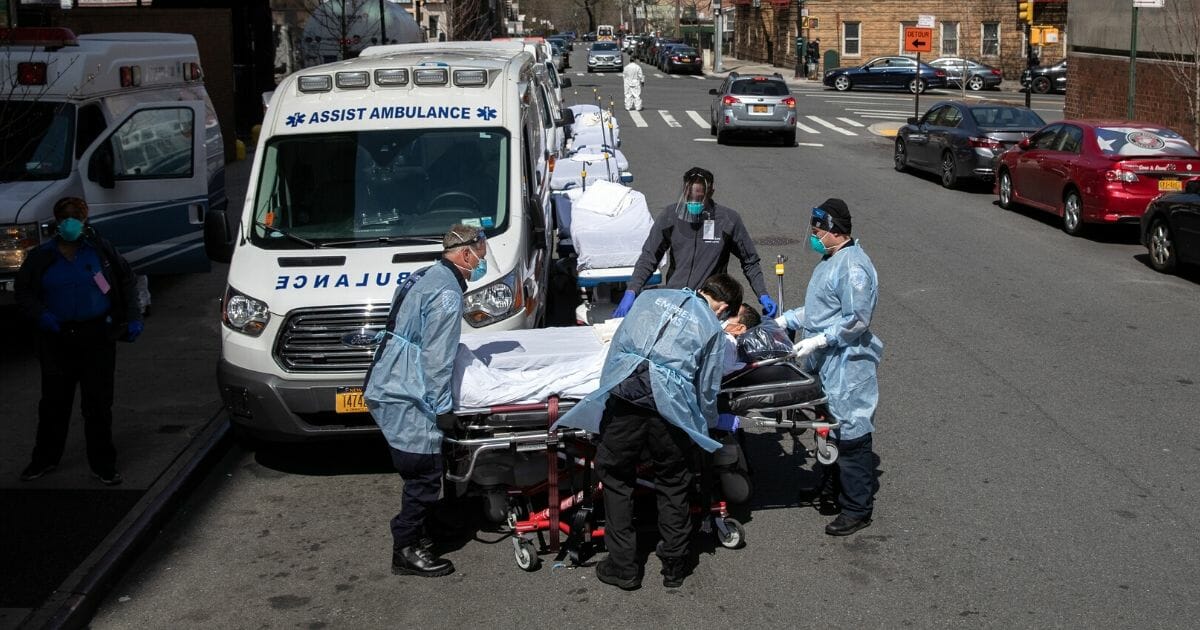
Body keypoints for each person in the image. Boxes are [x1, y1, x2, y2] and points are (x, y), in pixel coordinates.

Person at [554, 274, 741, 590]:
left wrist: (606, 395)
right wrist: (706, 426)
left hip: (627, 397)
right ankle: (674, 565)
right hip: (671, 411)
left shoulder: (652, 298)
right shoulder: (710, 328)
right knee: (673, 482)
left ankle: (623, 566)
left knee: (615, 476)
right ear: (721, 306)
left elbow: (617, 347)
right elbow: (707, 386)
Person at [364, 223, 490, 578]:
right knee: (422, 472)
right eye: (480, 254)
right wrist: (442, 408)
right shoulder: (448, 295)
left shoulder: (425, 275)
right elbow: (436, 359)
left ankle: (432, 528)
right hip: (404, 390)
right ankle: (405, 548)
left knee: (423, 467)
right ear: (465, 254)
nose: (482, 261)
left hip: (390, 376)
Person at [16, 197, 142, 486]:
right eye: (65, 218)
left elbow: (125, 280)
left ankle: (103, 464)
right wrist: (41, 315)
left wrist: (132, 316)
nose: (71, 223)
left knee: (98, 404)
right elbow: (23, 292)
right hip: (57, 338)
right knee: (54, 403)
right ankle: (44, 459)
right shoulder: (42, 258)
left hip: (96, 336)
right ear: (57, 222)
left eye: (77, 217)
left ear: (85, 221)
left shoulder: (99, 252)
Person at [776, 198, 882, 537]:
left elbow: (856, 319)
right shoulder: (831, 260)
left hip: (848, 365)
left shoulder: (852, 268)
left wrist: (821, 340)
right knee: (829, 428)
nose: (815, 234)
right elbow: (821, 310)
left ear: (835, 230)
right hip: (829, 362)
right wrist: (787, 319)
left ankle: (857, 508)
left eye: (819, 229)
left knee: (851, 434)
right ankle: (833, 492)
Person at [615, 167, 776, 319]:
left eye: (699, 198)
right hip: (675, 300)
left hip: (709, 305)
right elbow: (649, 257)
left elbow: (750, 261)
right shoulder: (670, 216)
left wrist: (762, 294)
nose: (693, 202)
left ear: (711, 193)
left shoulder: (728, 220)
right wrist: (632, 290)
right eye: (689, 197)